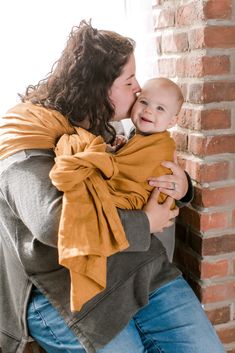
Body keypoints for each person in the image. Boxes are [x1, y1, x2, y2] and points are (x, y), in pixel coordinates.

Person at [0, 20, 225, 353]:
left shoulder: (100, 124)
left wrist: (183, 185)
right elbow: (52, 225)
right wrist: (144, 224)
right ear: (99, 85)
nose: (138, 90)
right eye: (129, 81)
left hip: (140, 269)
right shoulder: (24, 141)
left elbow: (135, 169)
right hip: (67, 288)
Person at [48, 77, 184, 312]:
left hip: (142, 210)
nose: (149, 110)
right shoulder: (135, 134)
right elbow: (128, 160)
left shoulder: (161, 145)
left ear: (173, 120)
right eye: (144, 101)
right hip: (138, 233)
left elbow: (133, 170)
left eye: (160, 108)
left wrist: (184, 186)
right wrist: (114, 151)